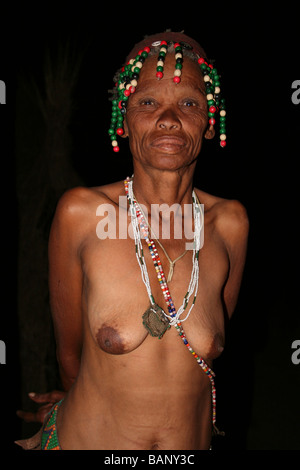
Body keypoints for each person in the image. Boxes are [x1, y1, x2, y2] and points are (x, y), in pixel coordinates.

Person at [16, 31, 249, 450]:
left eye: (189, 103)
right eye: (147, 102)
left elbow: (207, 359)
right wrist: (80, 396)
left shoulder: (230, 223)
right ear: (123, 120)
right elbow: (69, 356)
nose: (168, 119)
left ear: (210, 123)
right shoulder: (81, 215)